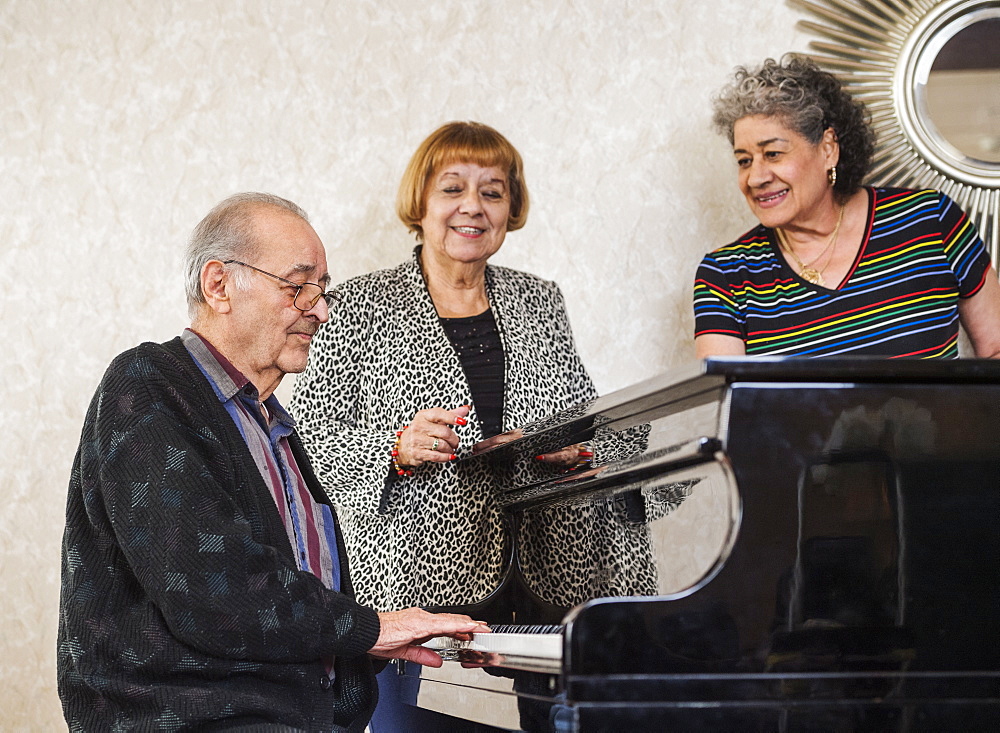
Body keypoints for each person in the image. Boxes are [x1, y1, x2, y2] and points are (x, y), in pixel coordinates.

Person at [57, 192, 488, 732]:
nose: (322, 309)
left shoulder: (274, 426)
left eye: (322, 289)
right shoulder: (147, 386)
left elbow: (282, 609)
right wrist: (369, 628)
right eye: (298, 285)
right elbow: (215, 592)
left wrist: (364, 648)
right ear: (219, 286)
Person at [289, 122, 646, 732]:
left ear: (511, 209)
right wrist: (393, 448)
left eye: (493, 191)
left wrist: (582, 448)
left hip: (547, 580)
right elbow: (310, 437)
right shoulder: (355, 304)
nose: (472, 207)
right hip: (415, 589)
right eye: (453, 188)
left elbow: (590, 419)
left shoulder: (541, 300)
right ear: (421, 205)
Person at [693, 55, 1000, 359]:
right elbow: (725, 402)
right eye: (744, 161)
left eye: (772, 154)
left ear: (828, 148)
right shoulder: (726, 276)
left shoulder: (930, 221)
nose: (756, 177)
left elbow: (996, 349)